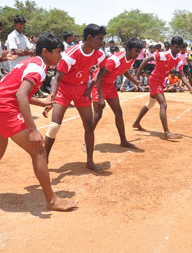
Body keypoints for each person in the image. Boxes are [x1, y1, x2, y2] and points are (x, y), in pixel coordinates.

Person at [0, 32, 77, 211]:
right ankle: (52, 200)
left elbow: (15, 91)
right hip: (5, 109)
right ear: (45, 51)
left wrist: (40, 101)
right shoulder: (38, 68)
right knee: (39, 151)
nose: (60, 56)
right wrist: (33, 129)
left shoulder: (32, 63)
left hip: (2, 104)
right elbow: (20, 95)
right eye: (57, 52)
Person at [44, 24, 107, 172]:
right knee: (55, 126)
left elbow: (102, 69)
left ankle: (90, 161)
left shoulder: (99, 54)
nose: (102, 43)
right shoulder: (71, 55)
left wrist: (91, 85)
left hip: (82, 90)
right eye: (100, 39)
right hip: (64, 89)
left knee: (89, 126)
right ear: (90, 38)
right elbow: (57, 79)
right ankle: (44, 157)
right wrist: (51, 98)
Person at [133, 36, 192, 139]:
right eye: (176, 47)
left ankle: (136, 123)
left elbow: (183, 76)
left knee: (150, 103)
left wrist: (190, 88)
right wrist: (137, 75)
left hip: (160, 82)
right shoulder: (164, 55)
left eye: (179, 47)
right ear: (171, 46)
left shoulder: (179, 60)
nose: (177, 49)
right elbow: (146, 59)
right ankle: (167, 132)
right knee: (163, 103)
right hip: (154, 80)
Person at [87, 38, 143, 149]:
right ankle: (86, 141)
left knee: (118, 113)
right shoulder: (115, 60)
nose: (138, 54)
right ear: (128, 49)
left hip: (110, 85)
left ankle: (123, 141)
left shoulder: (131, 59)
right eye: (136, 51)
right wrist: (101, 96)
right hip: (99, 84)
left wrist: (134, 81)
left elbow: (124, 69)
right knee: (98, 115)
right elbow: (99, 75)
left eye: (139, 51)